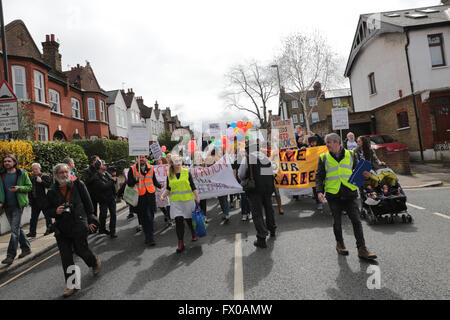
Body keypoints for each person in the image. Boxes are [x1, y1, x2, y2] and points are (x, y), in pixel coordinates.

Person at [316, 133, 377, 260]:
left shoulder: (351, 154)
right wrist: (319, 191)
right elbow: (319, 176)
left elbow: (357, 170)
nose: (327, 145)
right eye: (326, 142)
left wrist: (365, 175)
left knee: (356, 221)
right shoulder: (323, 158)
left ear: (337, 142)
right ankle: (340, 243)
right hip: (333, 194)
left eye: (329, 142)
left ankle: (362, 249)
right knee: (337, 222)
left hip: (349, 192)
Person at [46, 163, 101, 297]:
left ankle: (93, 262)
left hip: (79, 224)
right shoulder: (52, 191)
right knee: (66, 258)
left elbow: (89, 204)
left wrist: (91, 220)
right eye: (61, 173)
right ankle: (72, 285)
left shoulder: (79, 185)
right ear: (55, 175)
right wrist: (56, 211)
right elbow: (47, 210)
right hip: (62, 228)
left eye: (66, 172)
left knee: (81, 250)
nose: (64, 175)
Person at [239, 143, 277, 249]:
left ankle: (261, 238)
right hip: (268, 187)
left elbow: (241, 174)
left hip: (255, 189)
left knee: (257, 213)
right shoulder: (265, 157)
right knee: (269, 209)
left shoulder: (247, 158)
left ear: (247, 150)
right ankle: (272, 229)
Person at [160, 154, 200, 253]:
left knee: (189, 220)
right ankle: (180, 243)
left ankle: (193, 232)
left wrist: (197, 196)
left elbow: (192, 185)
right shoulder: (170, 175)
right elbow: (168, 189)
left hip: (187, 201)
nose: (178, 162)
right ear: (172, 163)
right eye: (175, 160)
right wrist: (162, 196)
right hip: (176, 202)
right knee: (178, 221)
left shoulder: (186, 172)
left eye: (179, 160)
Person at [0, 155, 33, 265]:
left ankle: (10, 255)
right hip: (7, 205)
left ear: (14, 162)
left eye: (9, 161)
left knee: (14, 231)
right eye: (5, 161)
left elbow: (29, 186)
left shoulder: (22, 173)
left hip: (18, 205)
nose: (7, 163)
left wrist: (19, 188)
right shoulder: (2, 175)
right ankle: (26, 248)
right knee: (17, 228)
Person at [127, 155, 162, 246]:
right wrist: (136, 179)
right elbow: (129, 183)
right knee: (146, 218)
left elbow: (153, 180)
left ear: (146, 158)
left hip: (150, 195)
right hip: (140, 197)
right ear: (137, 159)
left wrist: (160, 185)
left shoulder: (151, 167)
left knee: (150, 217)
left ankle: (149, 236)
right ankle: (150, 237)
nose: (142, 159)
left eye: (143, 157)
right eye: (140, 157)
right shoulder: (132, 169)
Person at [92, 160, 118, 238]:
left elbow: (113, 182)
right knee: (103, 215)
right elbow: (103, 187)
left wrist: (114, 179)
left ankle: (112, 231)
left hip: (111, 198)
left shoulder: (107, 174)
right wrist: (112, 180)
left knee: (113, 214)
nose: (106, 165)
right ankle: (102, 229)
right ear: (99, 167)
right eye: (104, 164)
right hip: (103, 199)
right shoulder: (96, 177)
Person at [27, 163, 53, 238]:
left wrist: (41, 181)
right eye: (33, 169)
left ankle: (50, 229)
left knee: (48, 217)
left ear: (39, 168)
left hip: (44, 201)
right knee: (33, 218)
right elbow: (30, 190)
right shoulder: (31, 177)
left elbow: (49, 186)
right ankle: (32, 233)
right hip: (35, 201)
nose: (34, 170)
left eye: (36, 169)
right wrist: (30, 200)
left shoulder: (45, 176)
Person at [205, 149, 230, 223]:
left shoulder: (222, 161)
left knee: (223, 198)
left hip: (222, 182)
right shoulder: (213, 161)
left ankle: (226, 213)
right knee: (221, 199)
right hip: (217, 182)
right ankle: (225, 213)